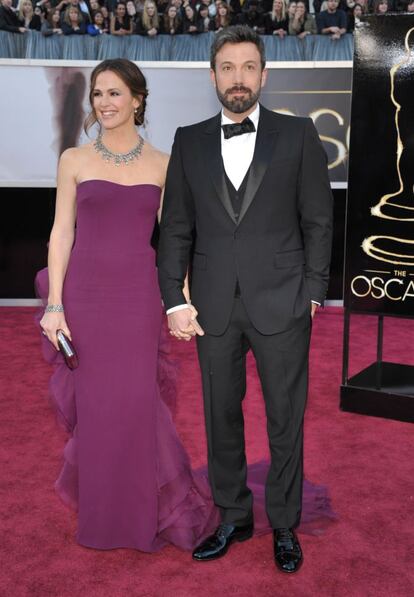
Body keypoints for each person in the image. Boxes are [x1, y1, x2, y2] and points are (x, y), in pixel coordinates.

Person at [157, 26, 333, 573]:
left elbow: (319, 220)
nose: (238, 78)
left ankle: (284, 522)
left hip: (284, 301)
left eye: (248, 67)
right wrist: (173, 300)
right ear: (212, 76)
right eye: (227, 68)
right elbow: (176, 229)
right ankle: (233, 515)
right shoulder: (188, 139)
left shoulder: (298, 134)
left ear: (264, 73)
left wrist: (314, 292)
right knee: (219, 416)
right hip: (211, 306)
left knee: (285, 418)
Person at [36, 58, 219, 551]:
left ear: (138, 99)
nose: (104, 103)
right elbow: (62, 232)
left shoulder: (163, 163)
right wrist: (54, 306)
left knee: (137, 406)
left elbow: (174, 240)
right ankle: (100, 520)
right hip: (85, 297)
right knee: (96, 411)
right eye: (98, 94)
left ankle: (139, 518)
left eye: (115, 93)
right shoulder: (74, 159)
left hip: (138, 299)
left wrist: (177, 301)